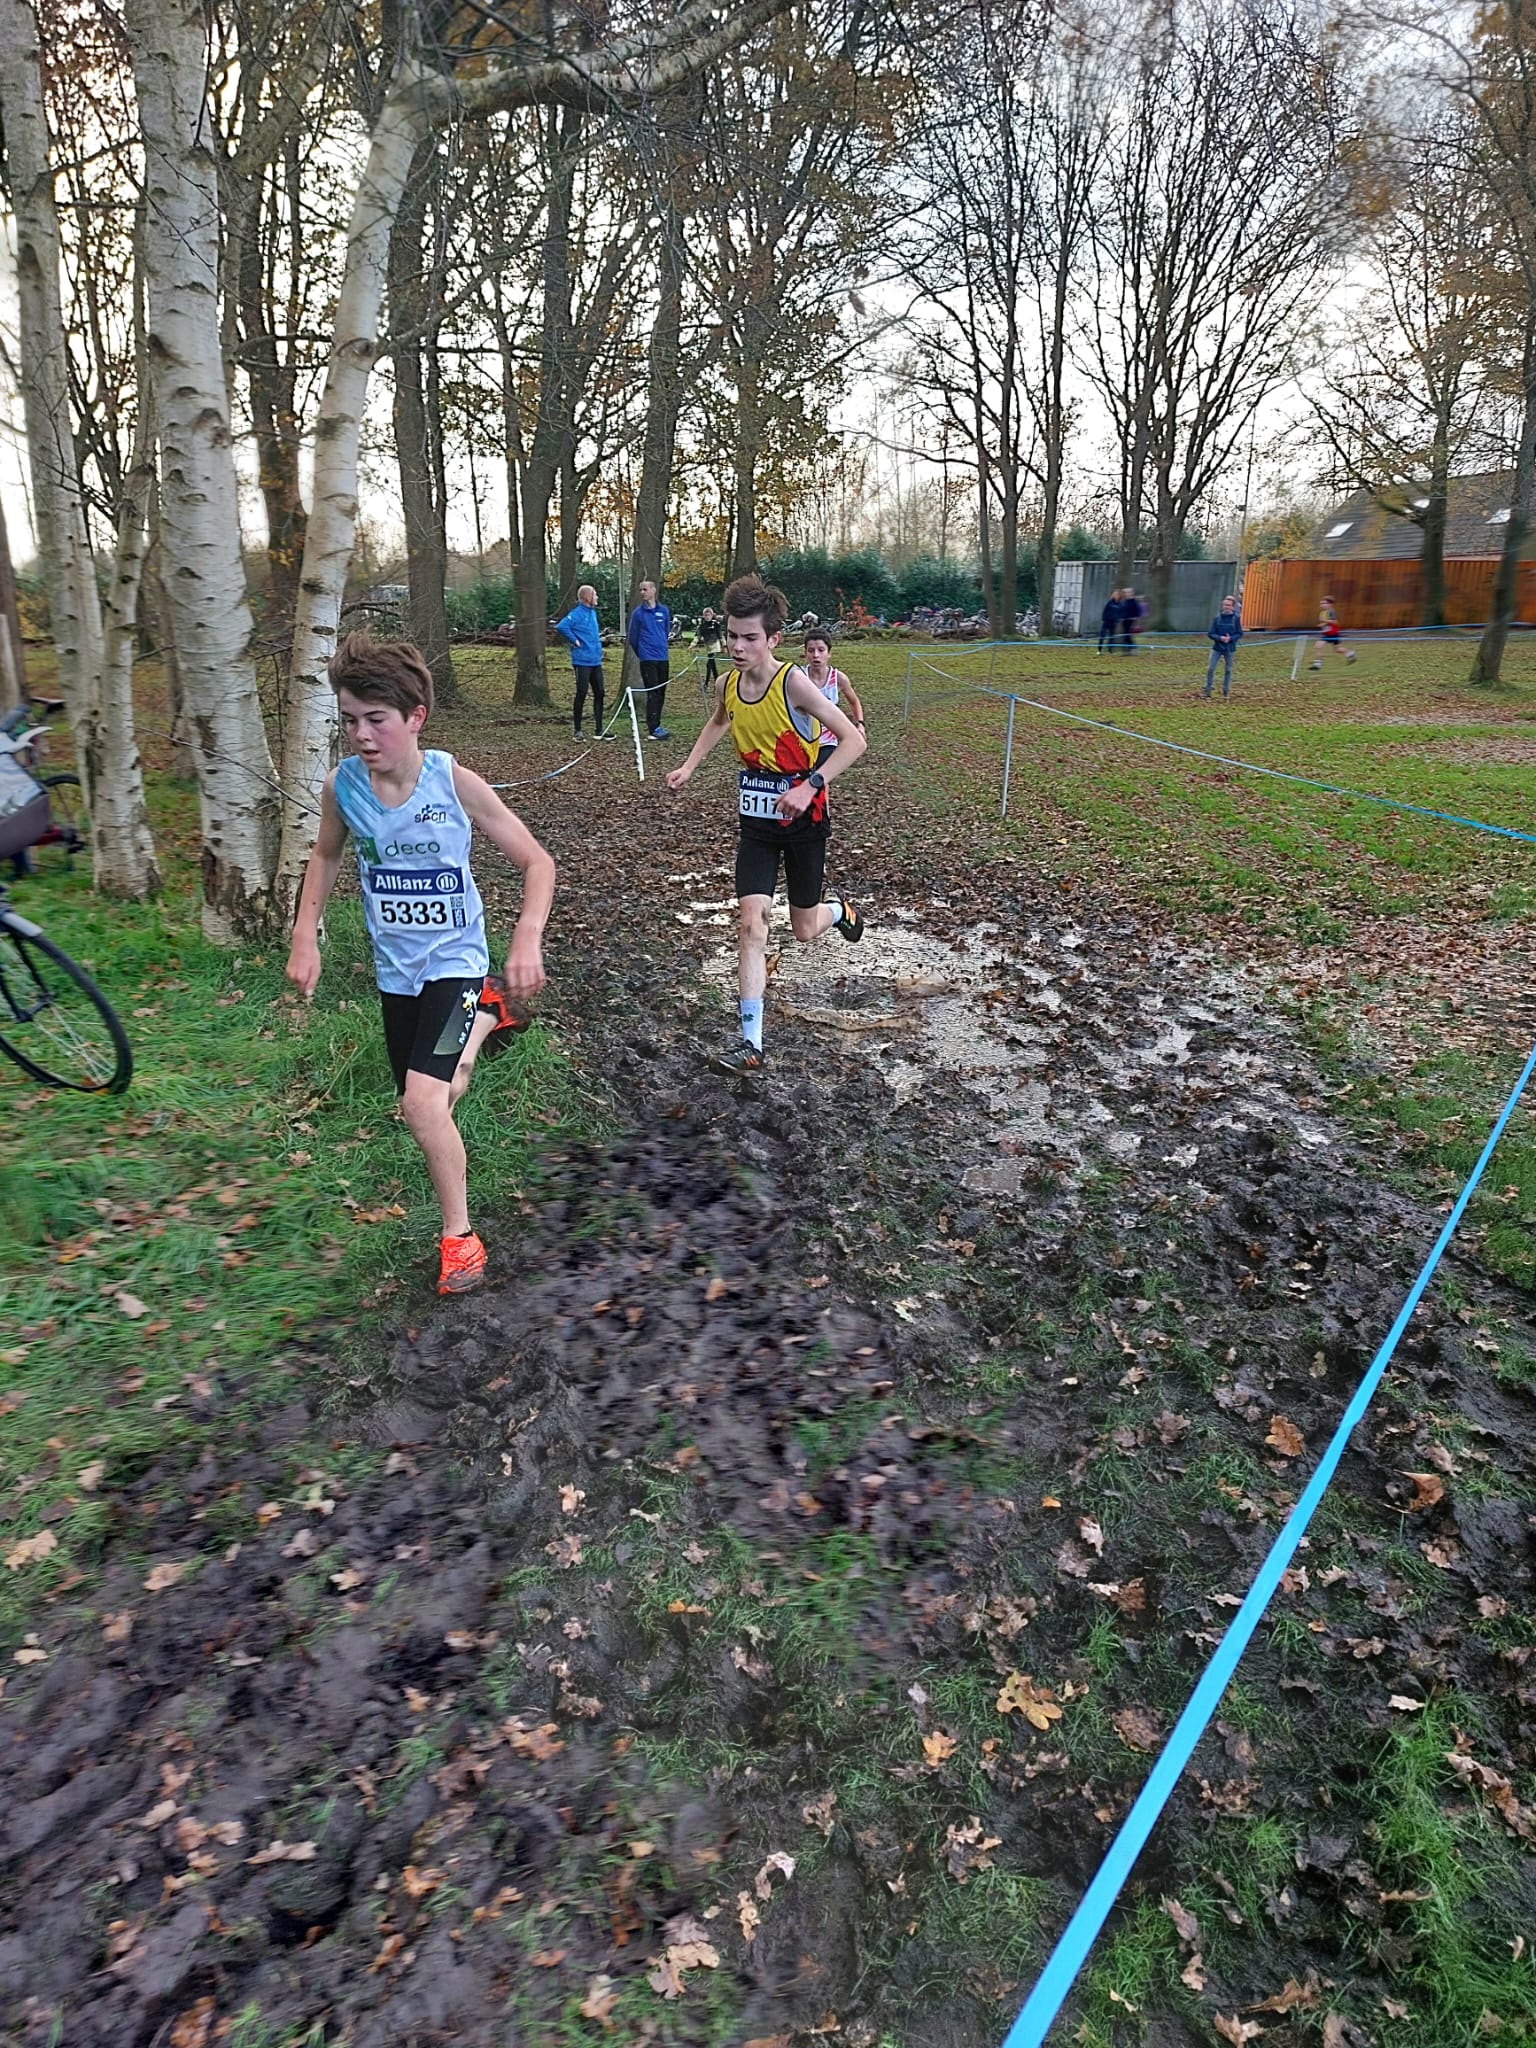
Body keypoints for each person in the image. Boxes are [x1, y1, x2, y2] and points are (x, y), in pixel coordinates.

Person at [285, 632, 556, 1296]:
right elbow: (324, 856)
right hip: (395, 973)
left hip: (456, 962)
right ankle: (490, 1018)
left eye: (376, 720)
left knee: (421, 1103)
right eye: (349, 720)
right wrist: (304, 935)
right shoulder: (342, 788)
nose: (361, 735)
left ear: (415, 718)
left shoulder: (452, 781)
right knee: (435, 1096)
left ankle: (460, 1239)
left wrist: (525, 938)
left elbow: (537, 862)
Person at [666, 575, 867, 1076]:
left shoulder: (793, 683)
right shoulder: (726, 683)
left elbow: (853, 741)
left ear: (773, 639)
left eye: (749, 637)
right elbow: (719, 720)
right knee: (751, 924)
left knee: (802, 930)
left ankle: (837, 909)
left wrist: (809, 785)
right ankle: (751, 1044)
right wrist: (690, 766)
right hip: (755, 824)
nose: (737, 646)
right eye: (732, 635)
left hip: (805, 821)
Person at [801, 625, 866, 767]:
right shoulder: (798, 677)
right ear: (805, 653)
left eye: (821, 650)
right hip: (802, 740)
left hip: (827, 741)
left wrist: (860, 724)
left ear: (829, 653)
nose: (816, 655)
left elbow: (854, 701)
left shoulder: (838, 678)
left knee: (820, 780)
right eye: (811, 651)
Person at [554, 583, 611, 739]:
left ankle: (599, 730)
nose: (597, 597)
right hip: (582, 661)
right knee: (581, 693)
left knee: (600, 693)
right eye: (595, 594)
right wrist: (575, 640)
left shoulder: (592, 613)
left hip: (595, 660)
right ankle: (578, 730)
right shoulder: (577, 613)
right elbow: (562, 626)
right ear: (587, 597)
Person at [626, 577, 673, 739]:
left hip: (663, 657)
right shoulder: (638, 614)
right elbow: (633, 637)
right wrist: (643, 653)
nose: (642, 592)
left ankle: (658, 724)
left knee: (661, 692)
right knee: (652, 691)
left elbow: (666, 631)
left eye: (645, 589)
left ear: (653, 590)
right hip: (647, 658)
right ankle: (652, 728)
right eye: (640, 590)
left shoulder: (664, 610)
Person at [1202, 596, 1243, 698]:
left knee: (1228, 670)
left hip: (1230, 649)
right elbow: (1211, 633)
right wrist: (1220, 638)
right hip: (1217, 648)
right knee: (1210, 668)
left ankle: (1226, 691)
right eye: (1225, 605)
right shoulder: (1217, 618)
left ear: (1232, 607)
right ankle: (1207, 690)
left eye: (1229, 605)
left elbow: (1239, 633)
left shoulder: (1236, 619)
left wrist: (1231, 639)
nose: (1226, 607)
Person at [1310, 594, 1356, 670]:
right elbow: (1327, 623)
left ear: (1330, 604)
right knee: (1332, 649)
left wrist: (1325, 621)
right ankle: (1351, 654)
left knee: (1321, 646)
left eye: (1324, 603)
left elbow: (1335, 622)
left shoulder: (1331, 612)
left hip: (1333, 634)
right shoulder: (1323, 613)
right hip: (1326, 633)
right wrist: (1322, 625)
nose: (1322, 605)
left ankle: (1317, 665)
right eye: (1321, 603)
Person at [695, 605, 726, 688]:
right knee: (711, 665)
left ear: (712, 615)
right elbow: (697, 637)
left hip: (715, 647)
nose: (707, 617)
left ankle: (708, 684)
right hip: (708, 647)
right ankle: (714, 683)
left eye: (709, 615)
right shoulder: (702, 626)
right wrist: (692, 645)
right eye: (705, 615)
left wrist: (724, 645)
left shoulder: (716, 624)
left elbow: (720, 635)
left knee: (710, 664)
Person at [1098, 587, 1123, 655]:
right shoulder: (1110, 602)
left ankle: (1110, 650)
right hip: (1106, 622)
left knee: (1111, 637)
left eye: (1117, 594)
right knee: (1102, 636)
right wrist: (1104, 618)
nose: (1116, 595)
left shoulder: (1120, 604)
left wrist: (1118, 620)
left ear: (1119, 596)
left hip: (1113, 623)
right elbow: (1105, 611)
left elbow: (1120, 614)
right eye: (1114, 594)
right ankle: (1099, 650)